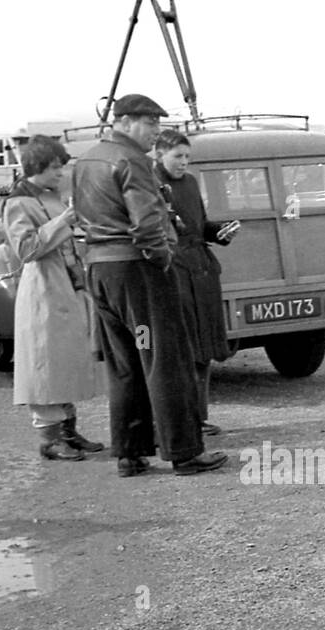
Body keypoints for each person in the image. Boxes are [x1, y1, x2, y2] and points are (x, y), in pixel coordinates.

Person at [71, 93, 226, 477]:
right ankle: (184, 452)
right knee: (165, 360)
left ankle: (130, 452)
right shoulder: (133, 161)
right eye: (150, 123)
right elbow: (146, 224)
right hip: (139, 272)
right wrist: (163, 261)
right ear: (124, 122)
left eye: (157, 123)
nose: (156, 131)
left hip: (102, 273)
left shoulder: (87, 159)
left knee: (126, 362)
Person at [3, 135, 105, 461]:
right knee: (45, 364)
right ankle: (50, 438)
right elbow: (27, 249)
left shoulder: (50, 196)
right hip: (43, 290)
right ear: (38, 168)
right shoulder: (17, 203)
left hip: (64, 287)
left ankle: (68, 431)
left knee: (63, 361)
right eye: (55, 168)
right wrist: (62, 221)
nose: (60, 174)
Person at [154, 130, 239, 437]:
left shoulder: (189, 183)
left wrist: (219, 233)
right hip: (173, 273)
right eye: (177, 156)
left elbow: (198, 226)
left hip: (201, 271)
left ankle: (199, 417)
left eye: (187, 157)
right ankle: (179, 420)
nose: (183, 162)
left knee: (203, 348)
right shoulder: (151, 184)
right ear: (159, 153)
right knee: (181, 349)